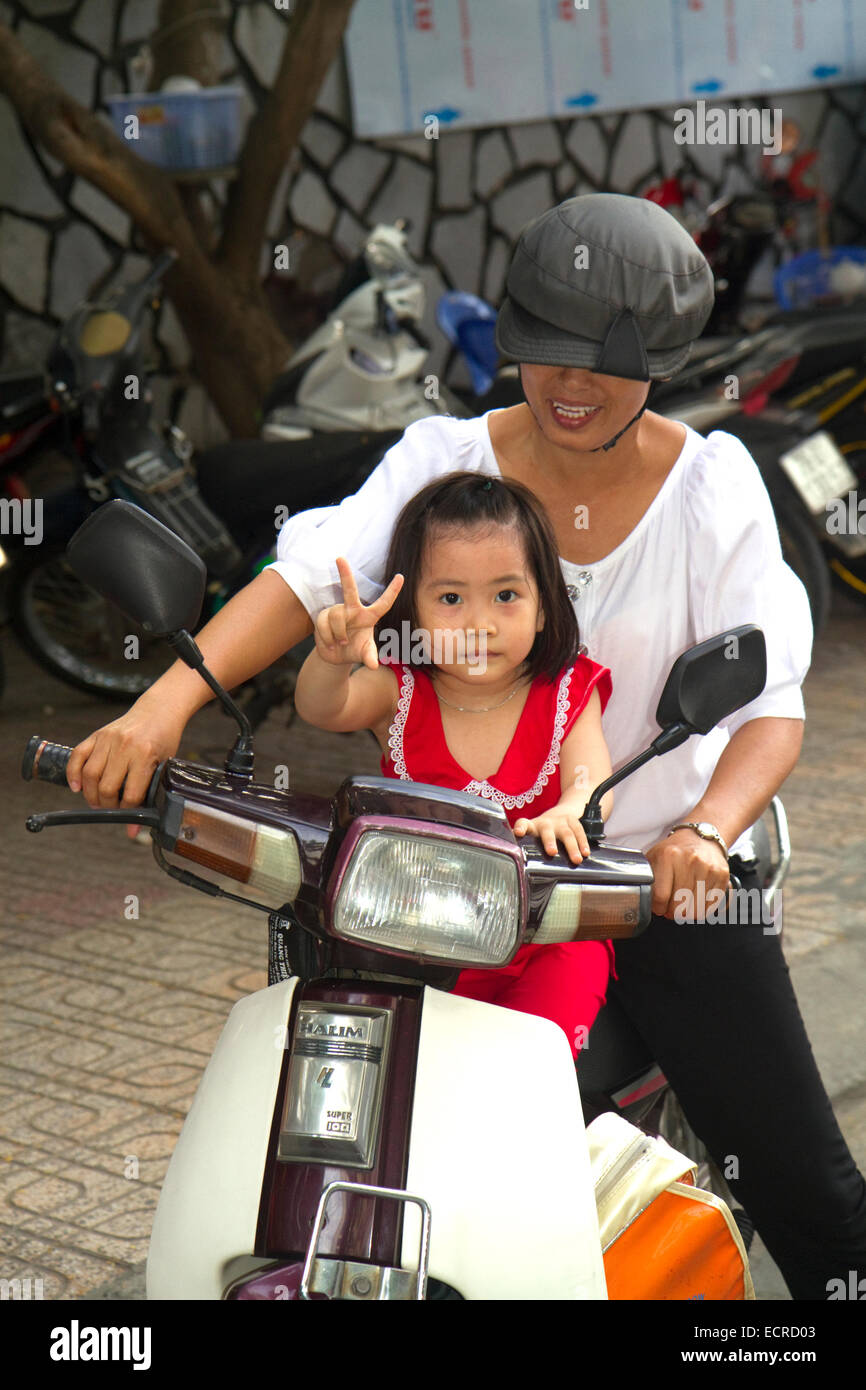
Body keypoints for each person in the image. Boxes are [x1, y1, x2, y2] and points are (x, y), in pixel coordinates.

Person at [66, 193, 866, 1301]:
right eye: (548, 354)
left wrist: (705, 831)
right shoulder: (445, 463)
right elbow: (310, 584)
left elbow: (766, 703)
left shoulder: (710, 486)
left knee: (807, 1193)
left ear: (663, 358)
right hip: (440, 890)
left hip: (646, 879)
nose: (571, 387)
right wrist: (154, 716)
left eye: (604, 365)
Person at [293, 472, 614, 1058]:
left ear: (545, 606)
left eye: (506, 596)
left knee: (529, 1072)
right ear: (411, 611)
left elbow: (590, 781)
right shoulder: (399, 691)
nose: (479, 623)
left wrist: (569, 813)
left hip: (551, 939)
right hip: (417, 940)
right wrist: (330, 658)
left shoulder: (568, 687)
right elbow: (323, 706)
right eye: (450, 599)